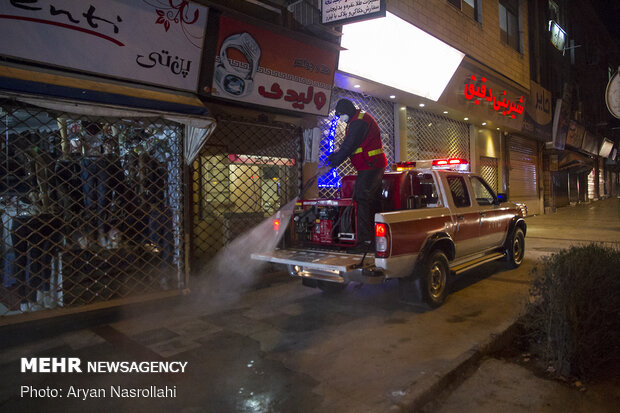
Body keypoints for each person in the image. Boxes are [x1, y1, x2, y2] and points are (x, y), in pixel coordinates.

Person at [323, 98, 387, 254]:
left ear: (346, 111)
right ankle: (375, 238)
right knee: (372, 202)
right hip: (371, 165)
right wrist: (333, 157)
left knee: (362, 199)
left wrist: (332, 164)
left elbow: (349, 145)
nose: (341, 119)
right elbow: (349, 145)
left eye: (341, 115)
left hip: (370, 166)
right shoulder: (357, 119)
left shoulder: (358, 122)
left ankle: (365, 242)